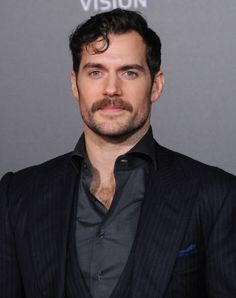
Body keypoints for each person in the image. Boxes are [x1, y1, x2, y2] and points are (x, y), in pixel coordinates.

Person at [0, 8, 236, 298]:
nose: (112, 89)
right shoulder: (17, 197)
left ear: (156, 85)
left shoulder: (216, 195)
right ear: (75, 84)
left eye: (129, 72)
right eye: (96, 72)